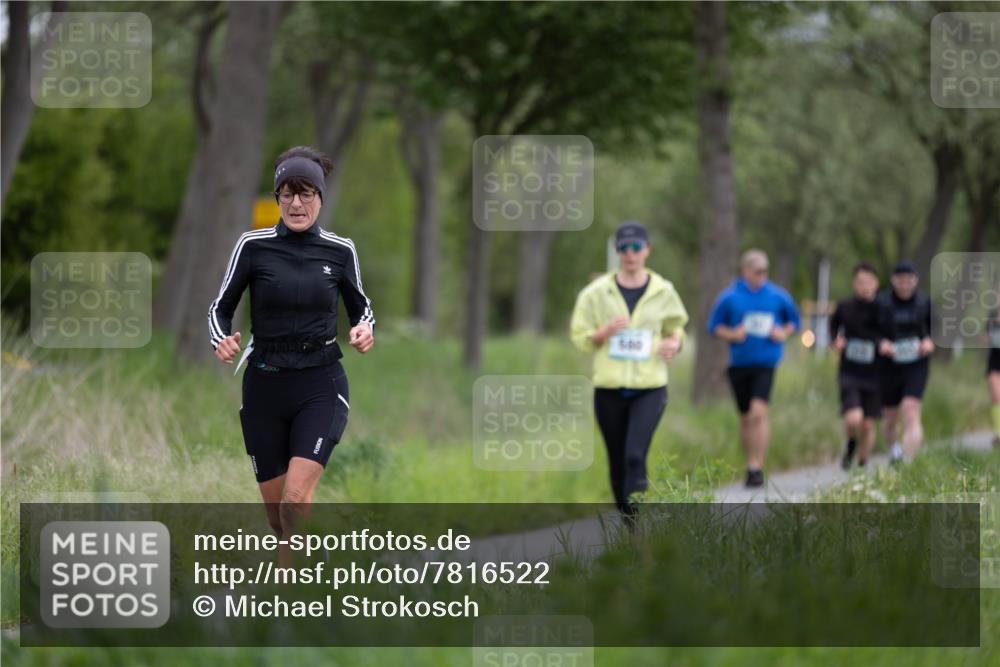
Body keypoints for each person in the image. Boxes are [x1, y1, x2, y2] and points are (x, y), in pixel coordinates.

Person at [208, 146, 375, 562]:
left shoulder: (340, 251)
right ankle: (308, 564)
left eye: (306, 194)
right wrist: (221, 340)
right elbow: (220, 308)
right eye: (287, 194)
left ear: (321, 198)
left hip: (320, 383)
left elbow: (362, 308)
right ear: (277, 198)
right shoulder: (252, 246)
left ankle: (290, 604)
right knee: (276, 514)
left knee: (295, 501)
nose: (297, 204)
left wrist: (364, 328)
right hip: (264, 385)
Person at [570, 221, 689, 522]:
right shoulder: (596, 293)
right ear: (616, 251)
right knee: (617, 462)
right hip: (609, 388)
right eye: (624, 248)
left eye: (636, 247)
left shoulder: (664, 291)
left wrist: (674, 343)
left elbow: (677, 328)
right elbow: (580, 336)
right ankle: (629, 524)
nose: (630, 254)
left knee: (635, 455)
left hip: (650, 387)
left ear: (647, 249)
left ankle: (637, 529)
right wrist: (603, 333)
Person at [708, 249, 800, 488]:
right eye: (757, 271)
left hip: (766, 362)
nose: (761, 275)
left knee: (758, 413)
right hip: (739, 363)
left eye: (765, 271)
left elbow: (794, 322)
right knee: (745, 418)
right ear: (745, 271)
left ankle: (757, 466)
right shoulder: (729, 297)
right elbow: (714, 326)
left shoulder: (778, 296)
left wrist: (782, 332)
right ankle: (749, 463)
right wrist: (732, 334)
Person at [876, 261, 933, 464]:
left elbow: (939, 330)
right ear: (893, 281)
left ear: (915, 281)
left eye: (909, 280)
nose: (905, 285)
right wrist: (881, 343)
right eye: (901, 280)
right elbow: (870, 330)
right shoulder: (881, 302)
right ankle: (894, 450)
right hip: (888, 366)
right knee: (890, 418)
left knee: (911, 409)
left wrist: (929, 341)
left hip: (916, 364)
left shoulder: (925, 302)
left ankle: (909, 463)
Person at [830, 262, 882, 470]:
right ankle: (851, 442)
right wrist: (836, 340)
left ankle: (862, 466)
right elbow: (833, 327)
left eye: (868, 282)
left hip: (876, 373)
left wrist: (884, 344)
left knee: (868, 424)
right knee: (854, 418)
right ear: (854, 284)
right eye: (860, 282)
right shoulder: (844, 306)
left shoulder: (883, 308)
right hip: (850, 371)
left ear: (876, 284)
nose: (864, 286)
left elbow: (892, 333)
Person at [988, 308, 1000, 447]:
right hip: (995, 362)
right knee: (997, 397)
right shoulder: (992, 314)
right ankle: (998, 434)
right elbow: (986, 337)